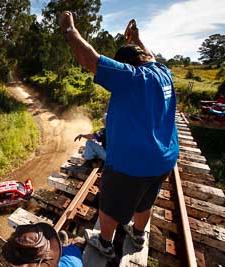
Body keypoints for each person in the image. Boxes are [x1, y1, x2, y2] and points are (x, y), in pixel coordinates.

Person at [59, 12, 179, 259]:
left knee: (109, 204)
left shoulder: (130, 77)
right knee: (145, 200)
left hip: (130, 163)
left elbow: (89, 59)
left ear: (127, 65)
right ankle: (138, 234)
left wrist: (69, 29)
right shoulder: (162, 71)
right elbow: (152, 56)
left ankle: (104, 241)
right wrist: (137, 38)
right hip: (165, 158)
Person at [2, 223, 84, 267]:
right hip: (72, 262)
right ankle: (63, 247)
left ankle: (63, 247)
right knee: (72, 252)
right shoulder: (74, 261)